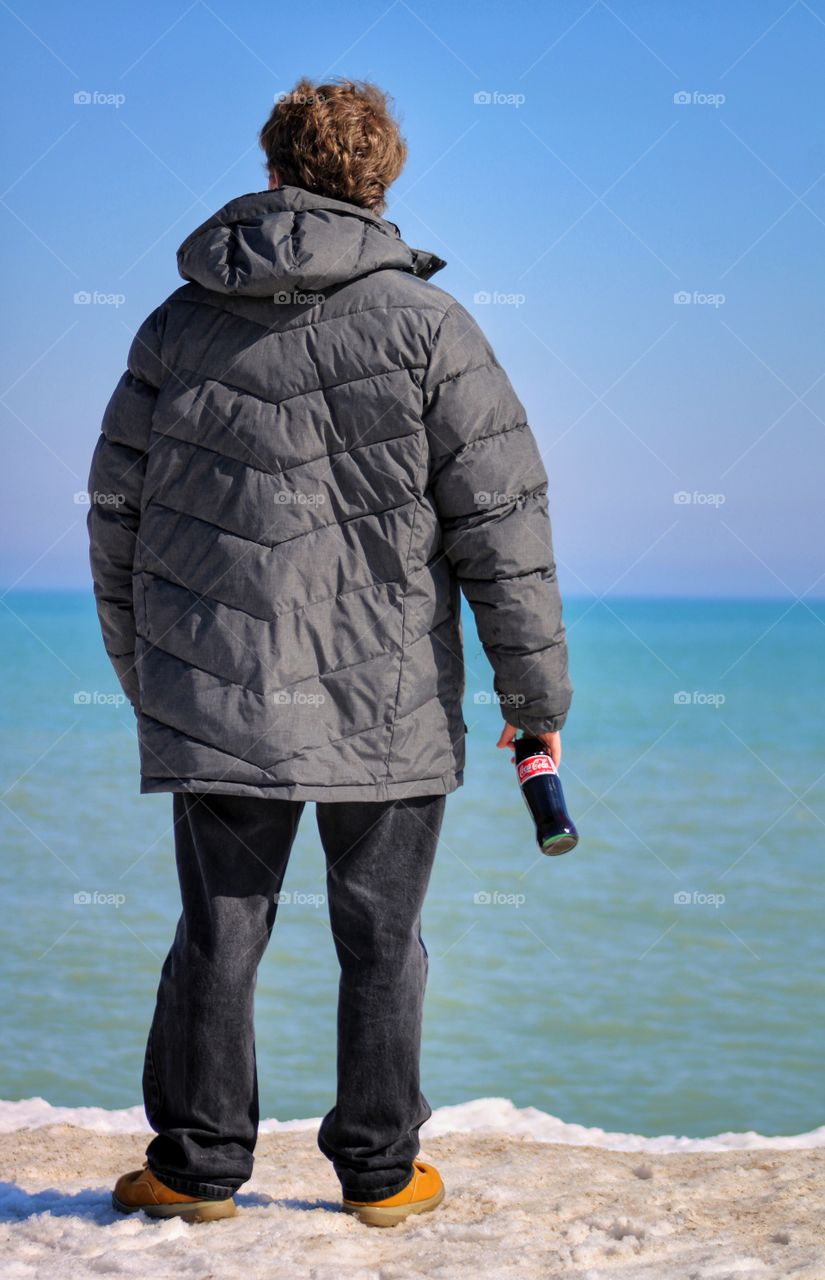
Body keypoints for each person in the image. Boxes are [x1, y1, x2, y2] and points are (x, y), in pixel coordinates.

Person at [88, 77, 572, 1227]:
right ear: (383, 180)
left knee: (219, 929)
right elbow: (506, 527)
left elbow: (117, 514)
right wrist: (535, 695)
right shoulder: (432, 327)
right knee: (382, 934)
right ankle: (380, 1170)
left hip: (217, 688)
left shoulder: (178, 322)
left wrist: (149, 674)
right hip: (390, 689)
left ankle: (197, 1168)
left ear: (271, 171)